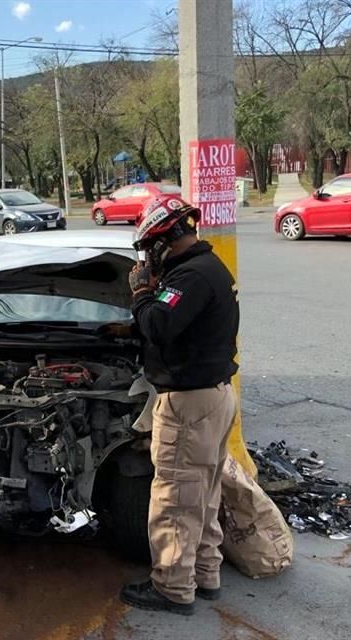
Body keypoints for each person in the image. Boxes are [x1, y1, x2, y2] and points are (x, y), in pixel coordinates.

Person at [120, 194, 240, 617]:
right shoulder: (207, 269)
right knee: (202, 494)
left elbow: (160, 325)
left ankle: (172, 588)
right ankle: (205, 575)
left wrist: (139, 294)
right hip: (214, 395)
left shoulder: (188, 277)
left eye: (149, 248)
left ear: (164, 240)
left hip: (190, 402)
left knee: (173, 496)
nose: (147, 258)